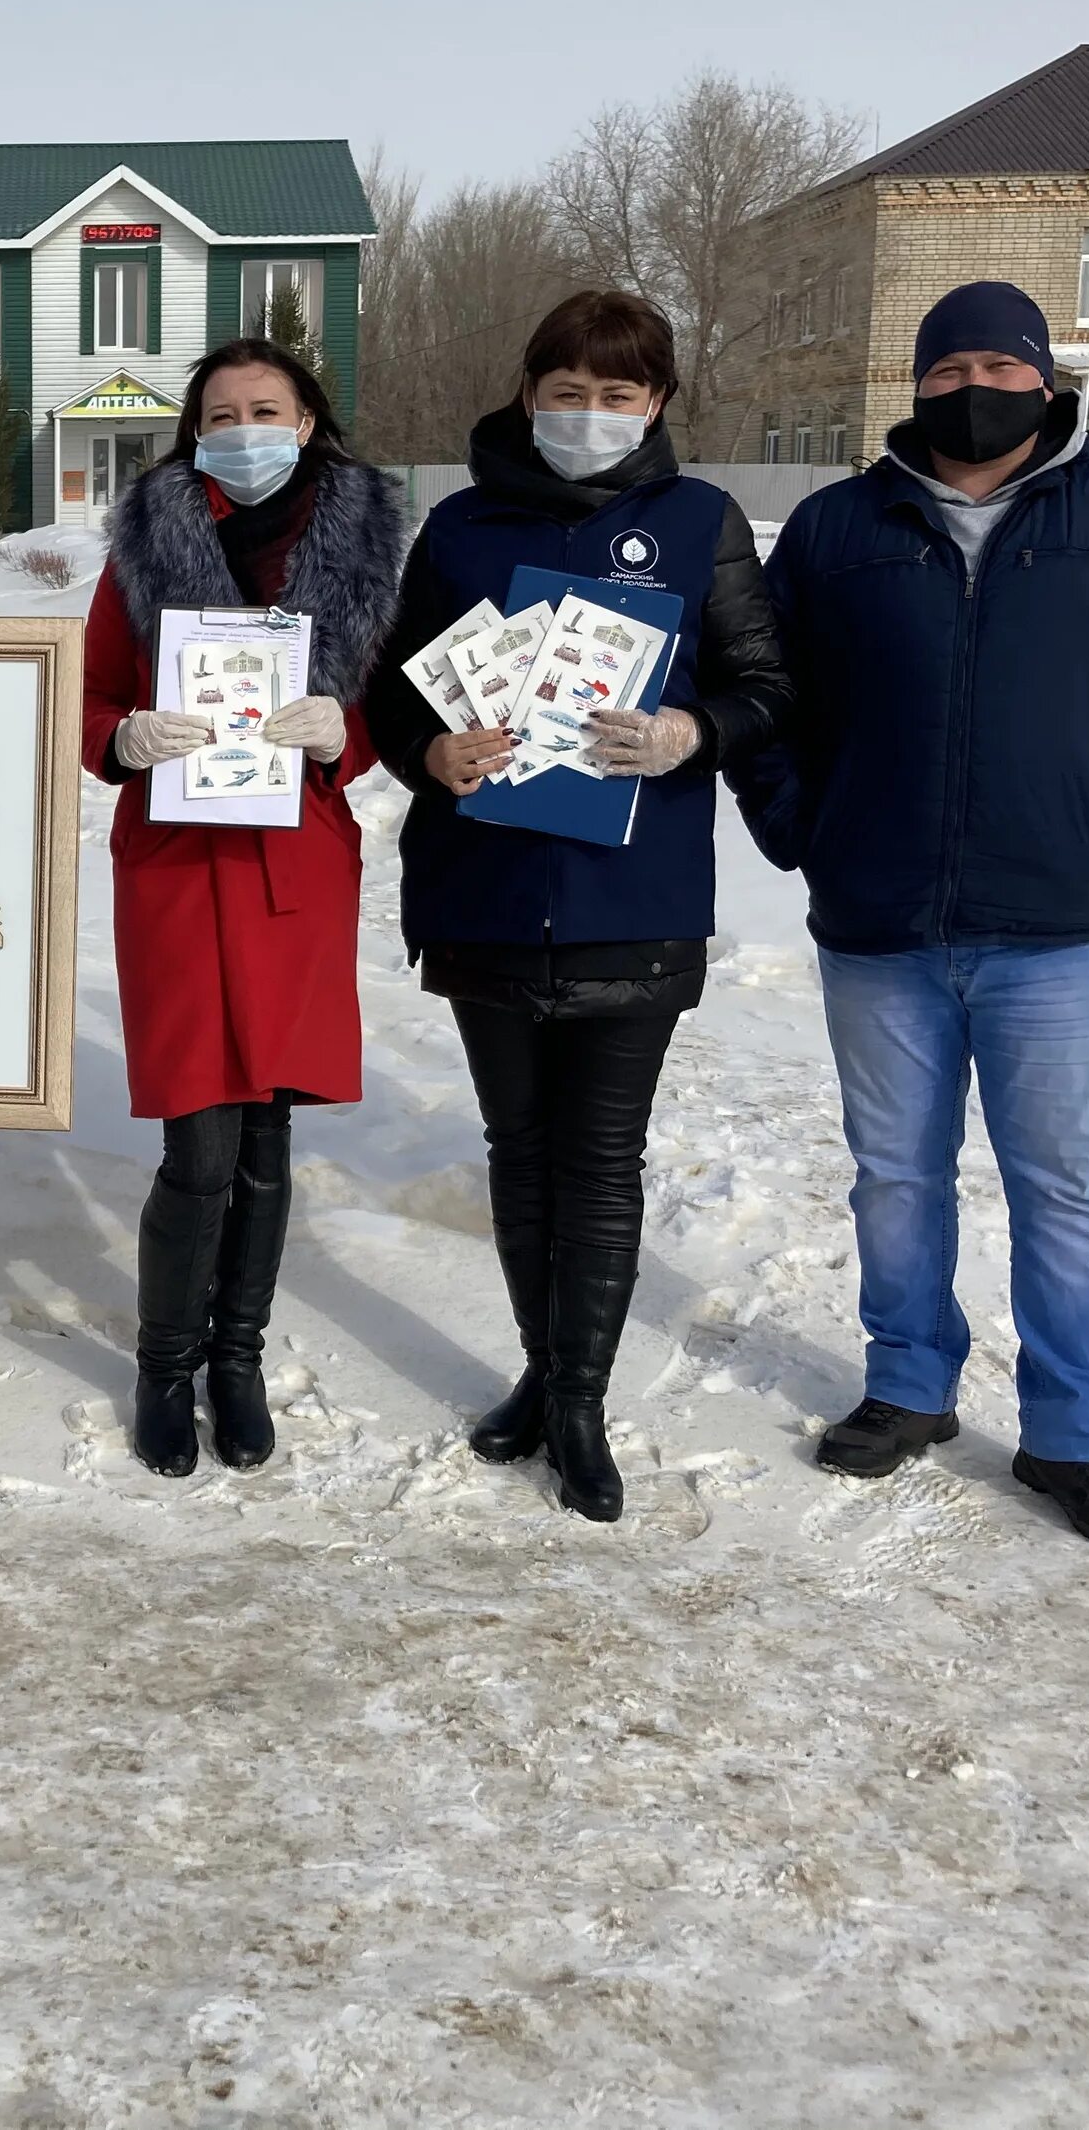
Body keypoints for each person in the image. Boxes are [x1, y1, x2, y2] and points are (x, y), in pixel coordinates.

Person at [734, 281, 1089, 1547]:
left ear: (1045, 379)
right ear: (916, 385)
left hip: (1057, 931)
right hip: (880, 926)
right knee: (896, 1179)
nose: (975, 386)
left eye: (1000, 364)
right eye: (948, 364)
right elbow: (764, 697)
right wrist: (804, 827)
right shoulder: (836, 527)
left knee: (1065, 1190)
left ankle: (1076, 1435)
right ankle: (909, 1387)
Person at [359, 291, 791, 1523]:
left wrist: (688, 730)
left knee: (600, 1160)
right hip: (486, 888)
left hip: (631, 892)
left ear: (656, 404)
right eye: (568, 390)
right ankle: (541, 1377)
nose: (591, 414)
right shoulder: (460, 527)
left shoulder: (699, 523)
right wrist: (428, 755)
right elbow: (394, 693)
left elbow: (771, 686)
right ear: (528, 391)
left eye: (620, 394)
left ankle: (583, 1405)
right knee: (517, 1152)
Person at [80, 336, 405, 1477]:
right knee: (201, 1146)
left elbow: (389, 707)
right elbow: (91, 696)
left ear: (309, 419)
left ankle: (239, 1359)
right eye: (220, 415)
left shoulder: (366, 546)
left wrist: (343, 733)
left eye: (265, 408)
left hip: (292, 870)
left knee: (266, 1139)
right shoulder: (144, 547)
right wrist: (119, 738)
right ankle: (165, 1363)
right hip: (177, 865)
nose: (243, 429)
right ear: (194, 433)